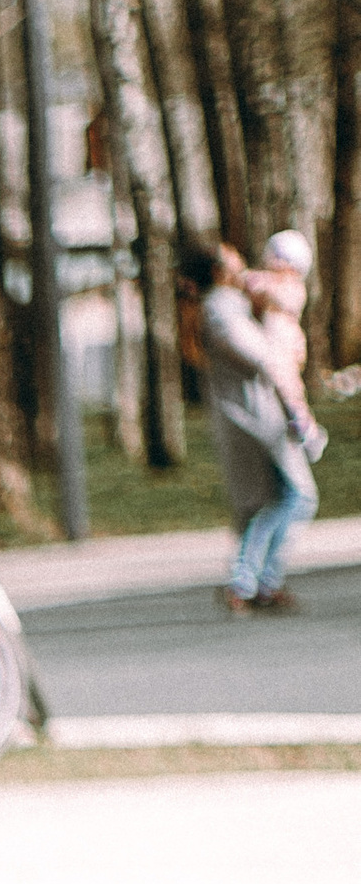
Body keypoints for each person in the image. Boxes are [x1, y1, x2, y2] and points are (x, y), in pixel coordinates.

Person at [187, 236, 320, 617]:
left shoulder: (234, 306)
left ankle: (259, 582)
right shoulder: (221, 310)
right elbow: (262, 358)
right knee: (296, 496)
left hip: (258, 414)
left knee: (277, 498)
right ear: (218, 272)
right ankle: (248, 581)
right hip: (256, 416)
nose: (242, 265)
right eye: (232, 260)